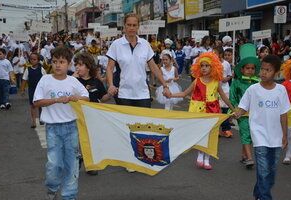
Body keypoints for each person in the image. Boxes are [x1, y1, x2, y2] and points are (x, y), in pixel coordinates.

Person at [106, 13, 170, 172]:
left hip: (142, 93)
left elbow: (154, 67)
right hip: (124, 93)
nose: (132, 28)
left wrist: (164, 84)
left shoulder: (145, 44)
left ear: (138, 26)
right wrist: (111, 84)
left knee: (142, 126)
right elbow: (109, 67)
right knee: (127, 126)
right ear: (124, 26)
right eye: (129, 25)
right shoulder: (116, 44)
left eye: (135, 25)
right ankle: (129, 158)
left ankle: (142, 155)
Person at [33, 46, 89, 200]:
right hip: (53, 129)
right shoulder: (45, 80)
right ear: (51, 63)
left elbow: (86, 97)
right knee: (54, 163)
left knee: (71, 165)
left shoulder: (73, 81)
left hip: (71, 128)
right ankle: (52, 187)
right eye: (55, 62)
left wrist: (76, 97)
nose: (58, 65)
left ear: (69, 64)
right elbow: (37, 102)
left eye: (62, 62)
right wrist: (56, 99)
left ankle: (70, 198)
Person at [234, 54, 291, 200]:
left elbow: (283, 114)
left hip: (276, 135)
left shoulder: (281, 90)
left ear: (276, 73)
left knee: (271, 170)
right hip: (259, 135)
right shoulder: (253, 89)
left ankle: (258, 193)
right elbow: (243, 107)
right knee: (264, 168)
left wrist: (285, 135)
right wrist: (237, 114)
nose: (264, 73)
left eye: (268, 70)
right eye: (263, 69)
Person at [166, 52, 235, 170]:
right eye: (202, 66)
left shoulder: (216, 82)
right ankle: (200, 154)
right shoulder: (197, 81)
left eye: (207, 66)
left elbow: (223, 97)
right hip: (198, 111)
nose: (204, 68)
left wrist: (233, 109)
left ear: (213, 67)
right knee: (199, 134)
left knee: (210, 135)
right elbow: (184, 93)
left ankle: (207, 158)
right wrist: (171, 95)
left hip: (212, 111)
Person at [73, 52, 113, 176]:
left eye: (80, 65)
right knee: (77, 140)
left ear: (88, 66)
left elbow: (103, 97)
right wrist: (71, 79)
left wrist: (110, 94)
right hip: (77, 115)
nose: (77, 68)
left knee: (91, 140)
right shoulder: (73, 80)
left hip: (93, 115)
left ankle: (89, 165)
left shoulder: (96, 82)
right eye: (76, 65)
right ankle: (77, 160)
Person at [230, 43, 261, 168]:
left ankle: (244, 155)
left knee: (252, 135)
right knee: (245, 134)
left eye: (253, 68)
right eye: (247, 68)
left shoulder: (259, 83)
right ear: (242, 69)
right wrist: (236, 110)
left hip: (256, 114)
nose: (250, 71)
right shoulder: (236, 82)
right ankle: (249, 157)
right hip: (242, 113)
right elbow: (232, 97)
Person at [20, 52, 46, 128]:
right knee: (33, 105)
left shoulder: (41, 69)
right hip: (32, 89)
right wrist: (22, 90)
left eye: (34, 59)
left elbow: (46, 80)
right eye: (31, 59)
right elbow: (24, 80)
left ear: (38, 60)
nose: (32, 61)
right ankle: (34, 121)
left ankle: (41, 118)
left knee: (41, 105)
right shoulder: (28, 70)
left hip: (41, 90)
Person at [213, 46, 233, 138]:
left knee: (225, 110)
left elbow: (229, 75)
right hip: (214, 89)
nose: (213, 55)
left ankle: (226, 129)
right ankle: (215, 129)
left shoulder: (226, 64)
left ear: (220, 54)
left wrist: (226, 78)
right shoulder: (211, 64)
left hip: (224, 89)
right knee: (216, 110)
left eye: (215, 53)